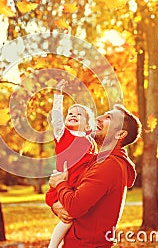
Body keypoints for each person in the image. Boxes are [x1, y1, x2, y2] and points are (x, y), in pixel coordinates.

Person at [48, 104, 142, 247]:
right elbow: (72, 201)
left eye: (108, 117)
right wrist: (55, 204)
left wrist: (60, 184)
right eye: (103, 114)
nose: (98, 118)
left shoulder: (108, 166)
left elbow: (74, 206)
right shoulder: (96, 161)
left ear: (120, 134)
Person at [46, 79, 98, 248]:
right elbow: (56, 118)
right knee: (68, 218)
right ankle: (53, 246)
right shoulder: (63, 135)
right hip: (64, 184)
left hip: (78, 188)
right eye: (70, 113)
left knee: (77, 219)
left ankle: (63, 245)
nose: (73, 115)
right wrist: (58, 95)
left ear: (87, 123)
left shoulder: (90, 141)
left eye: (79, 114)